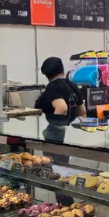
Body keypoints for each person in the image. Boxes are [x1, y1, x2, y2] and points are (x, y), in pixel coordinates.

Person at [36, 56, 85, 206]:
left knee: (58, 175)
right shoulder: (72, 85)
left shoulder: (52, 87)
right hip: (69, 137)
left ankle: (66, 208)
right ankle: (70, 207)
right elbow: (82, 112)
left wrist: (56, 127)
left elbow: (62, 107)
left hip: (55, 137)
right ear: (62, 70)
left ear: (46, 74)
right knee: (65, 173)